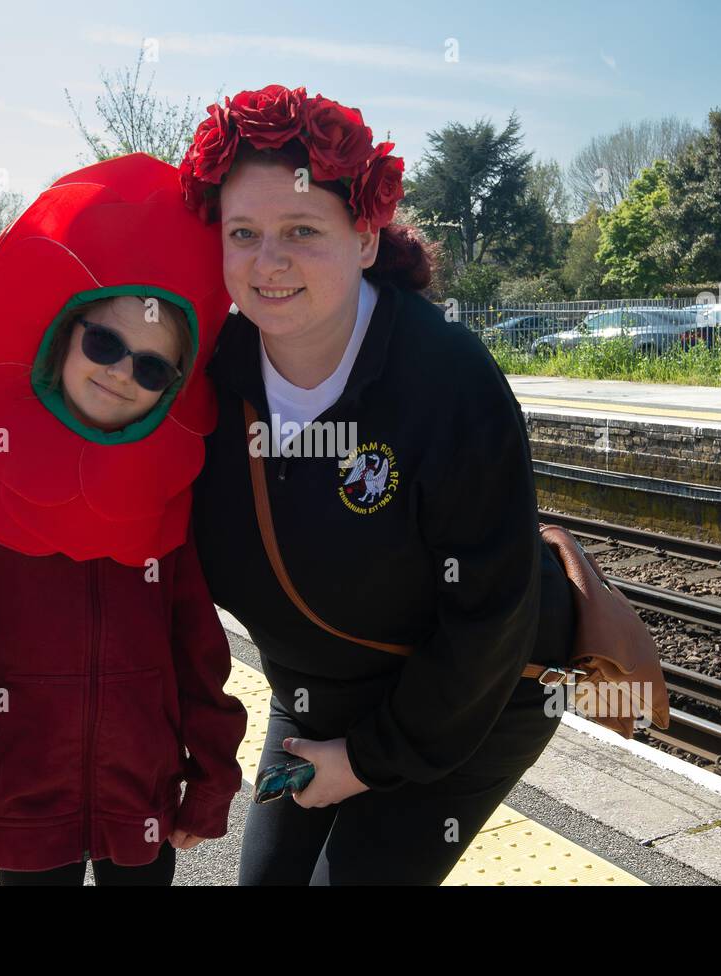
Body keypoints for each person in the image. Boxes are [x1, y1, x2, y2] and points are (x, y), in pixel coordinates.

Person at [182, 85, 576, 885]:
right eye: (243, 233)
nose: (269, 262)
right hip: (315, 687)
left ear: (366, 238)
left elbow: (490, 616)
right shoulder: (205, 379)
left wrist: (364, 762)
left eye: (302, 230)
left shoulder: (447, 380)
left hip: (481, 686)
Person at [0, 153, 248, 886]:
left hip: (142, 807)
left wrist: (212, 776)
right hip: (24, 812)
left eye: (153, 368)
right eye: (106, 344)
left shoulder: (163, 482)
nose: (123, 372)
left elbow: (196, 640)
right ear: (64, 334)